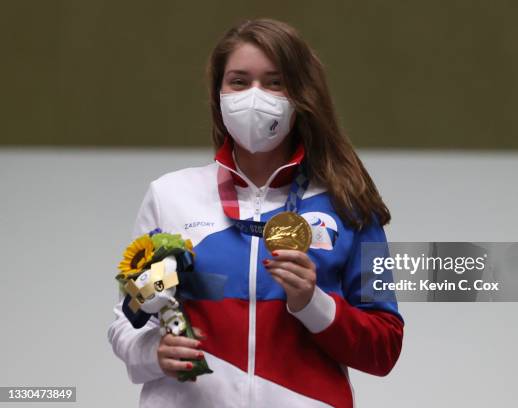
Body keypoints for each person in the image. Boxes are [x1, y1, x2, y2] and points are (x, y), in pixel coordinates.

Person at [107, 18, 403, 408]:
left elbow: (384, 348)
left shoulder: (348, 203)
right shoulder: (170, 195)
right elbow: (127, 319)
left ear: (301, 94)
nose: (254, 96)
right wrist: (152, 354)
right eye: (240, 81)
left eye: (274, 82)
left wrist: (311, 302)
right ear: (218, 94)